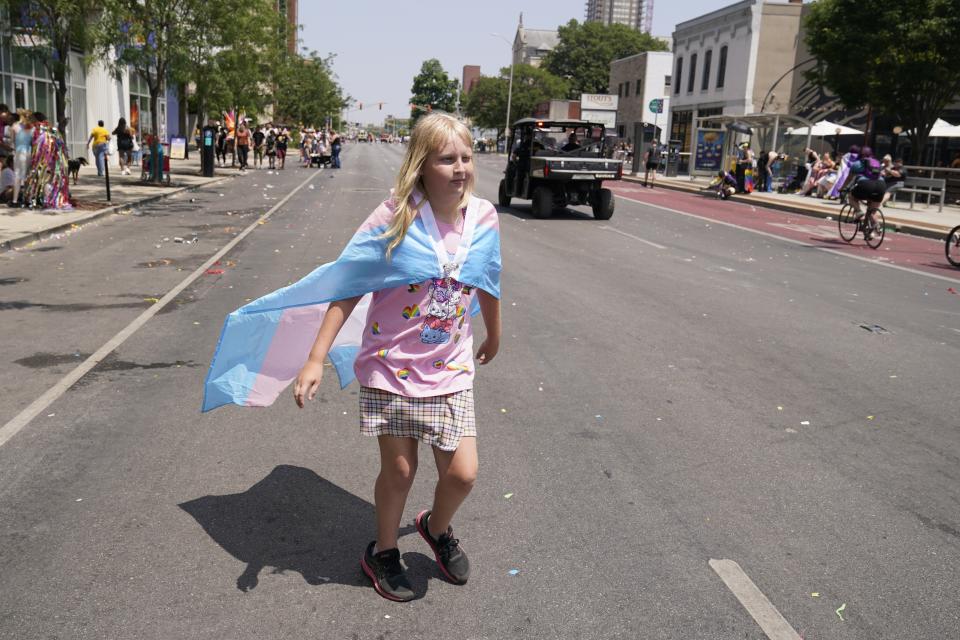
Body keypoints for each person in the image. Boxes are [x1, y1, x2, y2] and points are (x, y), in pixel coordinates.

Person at [203, 113, 502, 603]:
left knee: (463, 474)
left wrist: (495, 332)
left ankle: (435, 527)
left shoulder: (485, 217)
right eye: (448, 159)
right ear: (422, 165)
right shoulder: (394, 217)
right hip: (390, 365)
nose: (461, 167)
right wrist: (316, 358)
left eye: (466, 157)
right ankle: (383, 551)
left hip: (450, 367)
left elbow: (488, 277)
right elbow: (346, 288)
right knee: (401, 471)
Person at [846, 146, 885, 240]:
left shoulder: (857, 164)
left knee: (851, 196)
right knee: (873, 210)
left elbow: (848, 179)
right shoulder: (877, 163)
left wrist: (842, 188)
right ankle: (876, 226)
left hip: (865, 184)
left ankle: (859, 212)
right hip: (880, 185)